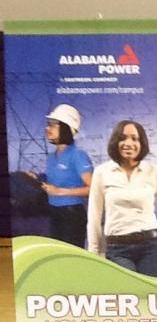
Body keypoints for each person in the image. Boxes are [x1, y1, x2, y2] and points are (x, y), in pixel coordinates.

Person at [87, 120, 157, 278]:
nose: (128, 143)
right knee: (129, 287)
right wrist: (94, 255)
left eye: (134, 138)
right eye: (123, 138)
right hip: (117, 248)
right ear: (115, 142)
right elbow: (94, 217)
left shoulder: (155, 172)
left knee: (149, 291)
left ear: (142, 143)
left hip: (150, 247)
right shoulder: (102, 172)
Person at [40, 104, 93, 247]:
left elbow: (92, 188)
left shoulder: (78, 155)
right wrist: (35, 179)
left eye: (53, 125)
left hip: (72, 215)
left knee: (70, 256)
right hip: (54, 212)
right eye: (48, 124)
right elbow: (54, 184)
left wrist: (59, 191)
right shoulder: (51, 157)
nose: (47, 128)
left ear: (66, 128)